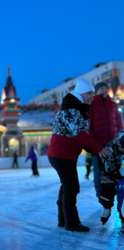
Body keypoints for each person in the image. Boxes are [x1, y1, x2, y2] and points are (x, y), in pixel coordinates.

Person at [48, 78, 105, 232]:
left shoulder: (77, 108)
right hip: (61, 156)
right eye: (89, 94)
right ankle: (71, 223)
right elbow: (79, 134)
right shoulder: (71, 109)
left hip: (65, 155)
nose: (91, 97)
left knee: (67, 186)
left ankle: (63, 219)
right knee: (71, 187)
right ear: (82, 93)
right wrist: (99, 149)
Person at [88, 81, 123, 224]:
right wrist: (96, 147)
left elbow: (119, 125)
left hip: (115, 147)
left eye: (105, 88)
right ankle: (105, 206)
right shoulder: (91, 105)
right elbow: (89, 128)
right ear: (95, 91)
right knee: (100, 178)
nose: (103, 90)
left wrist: (120, 139)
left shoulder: (113, 105)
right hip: (99, 148)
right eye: (100, 88)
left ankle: (121, 206)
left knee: (118, 176)